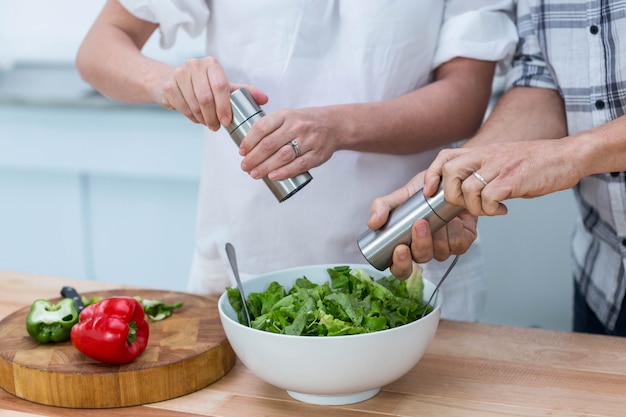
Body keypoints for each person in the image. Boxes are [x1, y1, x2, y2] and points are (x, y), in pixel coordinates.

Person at [76, 0, 517, 321]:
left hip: (410, 255)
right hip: (248, 259)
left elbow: (465, 96)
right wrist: (166, 82)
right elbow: (100, 46)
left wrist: (338, 127)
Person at [369, 0, 626, 335]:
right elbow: (542, 82)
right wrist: (460, 169)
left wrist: (569, 155)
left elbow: (567, 153)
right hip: (605, 281)